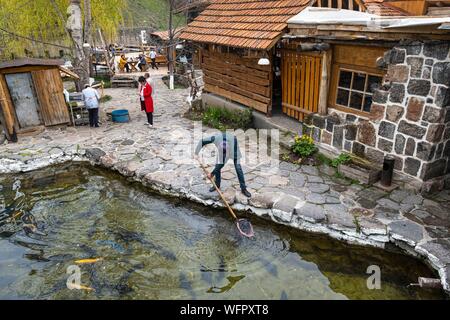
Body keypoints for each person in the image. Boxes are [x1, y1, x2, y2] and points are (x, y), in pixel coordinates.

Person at [195, 132, 251, 198]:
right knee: (218, 165)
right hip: (223, 149)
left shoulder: (233, 145)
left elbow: (222, 164)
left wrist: (212, 173)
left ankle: (243, 189)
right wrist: (196, 153)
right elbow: (201, 141)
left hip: (234, 150)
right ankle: (217, 185)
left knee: (238, 168)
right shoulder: (215, 139)